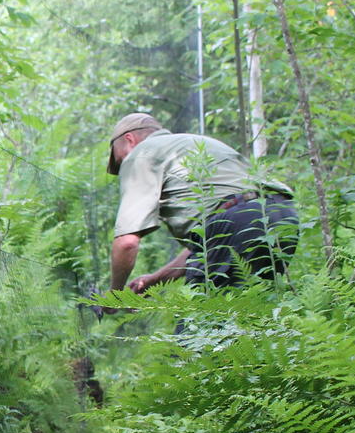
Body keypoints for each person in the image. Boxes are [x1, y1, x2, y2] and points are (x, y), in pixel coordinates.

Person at [105, 112, 297, 300]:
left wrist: (115, 295)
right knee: (252, 315)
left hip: (236, 222)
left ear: (130, 139)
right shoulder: (192, 142)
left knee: (201, 324)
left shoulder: (142, 152)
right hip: (282, 214)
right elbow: (208, 240)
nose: (123, 166)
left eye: (120, 160)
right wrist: (156, 279)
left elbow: (127, 243)